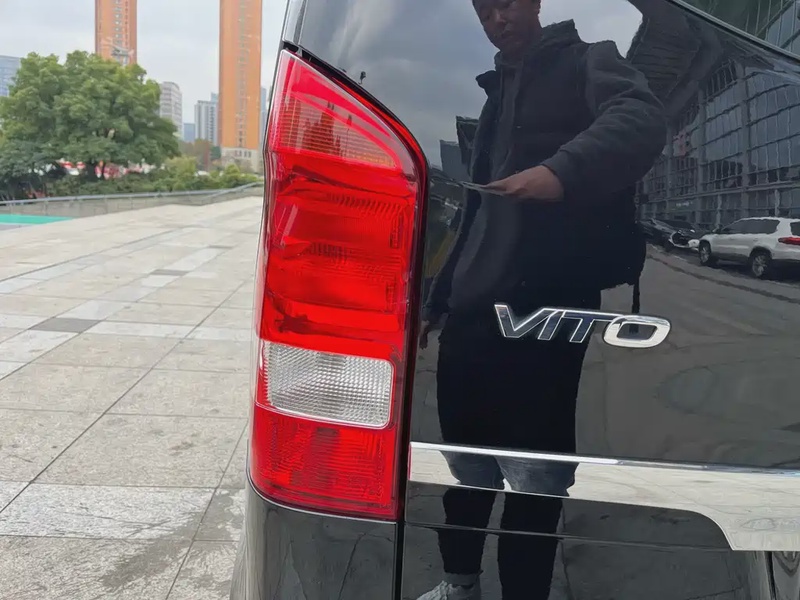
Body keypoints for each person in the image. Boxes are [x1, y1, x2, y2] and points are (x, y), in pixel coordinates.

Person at [417, 0, 666, 598]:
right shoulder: (494, 94)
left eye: (506, 4)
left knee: (536, 481)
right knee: (466, 470)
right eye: (485, 12)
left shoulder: (587, 60)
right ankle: (460, 584)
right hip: (470, 321)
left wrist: (561, 171)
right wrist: (438, 298)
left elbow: (641, 117)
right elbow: (473, 216)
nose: (497, 19)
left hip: (543, 317)